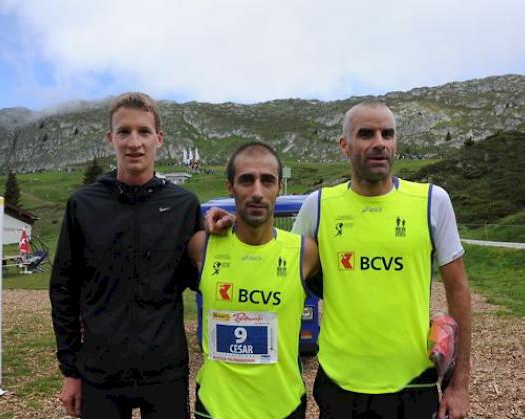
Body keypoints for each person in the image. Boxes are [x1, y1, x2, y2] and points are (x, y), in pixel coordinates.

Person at [291, 101, 472, 419]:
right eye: (366, 134)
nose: (379, 143)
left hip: (413, 383)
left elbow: (458, 292)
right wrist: (227, 228)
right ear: (344, 146)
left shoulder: (432, 201)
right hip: (340, 383)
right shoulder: (318, 206)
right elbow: (281, 274)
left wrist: (459, 386)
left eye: (387, 134)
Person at [50, 92, 201, 419]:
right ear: (110, 139)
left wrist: (222, 236)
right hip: (100, 372)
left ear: (159, 139)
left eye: (144, 132)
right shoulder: (83, 205)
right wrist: (71, 370)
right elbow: (64, 289)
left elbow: (201, 278)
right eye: (124, 132)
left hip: (165, 371)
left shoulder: (184, 206)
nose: (135, 142)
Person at [188, 142, 319, 419]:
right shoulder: (201, 247)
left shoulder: (306, 252)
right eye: (246, 180)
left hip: (283, 408)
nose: (257, 192)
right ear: (230, 187)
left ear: (279, 187)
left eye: (267, 180)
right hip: (216, 408)